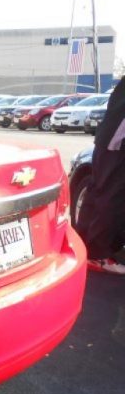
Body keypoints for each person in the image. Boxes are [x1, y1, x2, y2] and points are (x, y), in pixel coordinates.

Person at [76, 78, 125, 273]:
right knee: (111, 196)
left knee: (97, 191)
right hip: (116, 143)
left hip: (107, 141)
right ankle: (98, 255)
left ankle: (83, 247)